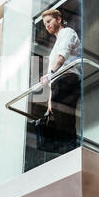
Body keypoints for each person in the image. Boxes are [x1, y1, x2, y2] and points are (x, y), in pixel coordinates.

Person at [40, 9, 81, 154]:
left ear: (58, 19)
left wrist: (50, 73)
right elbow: (52, 79)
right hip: (59, 82)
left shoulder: (67, 33)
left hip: (68, 78)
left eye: (49, 21)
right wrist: (50, 102)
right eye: (45, 24)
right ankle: (66, 151)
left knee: (66, 119)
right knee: (60, 119)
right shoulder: (56, 42)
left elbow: (62, 56)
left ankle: (70, 150)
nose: (47, 26)